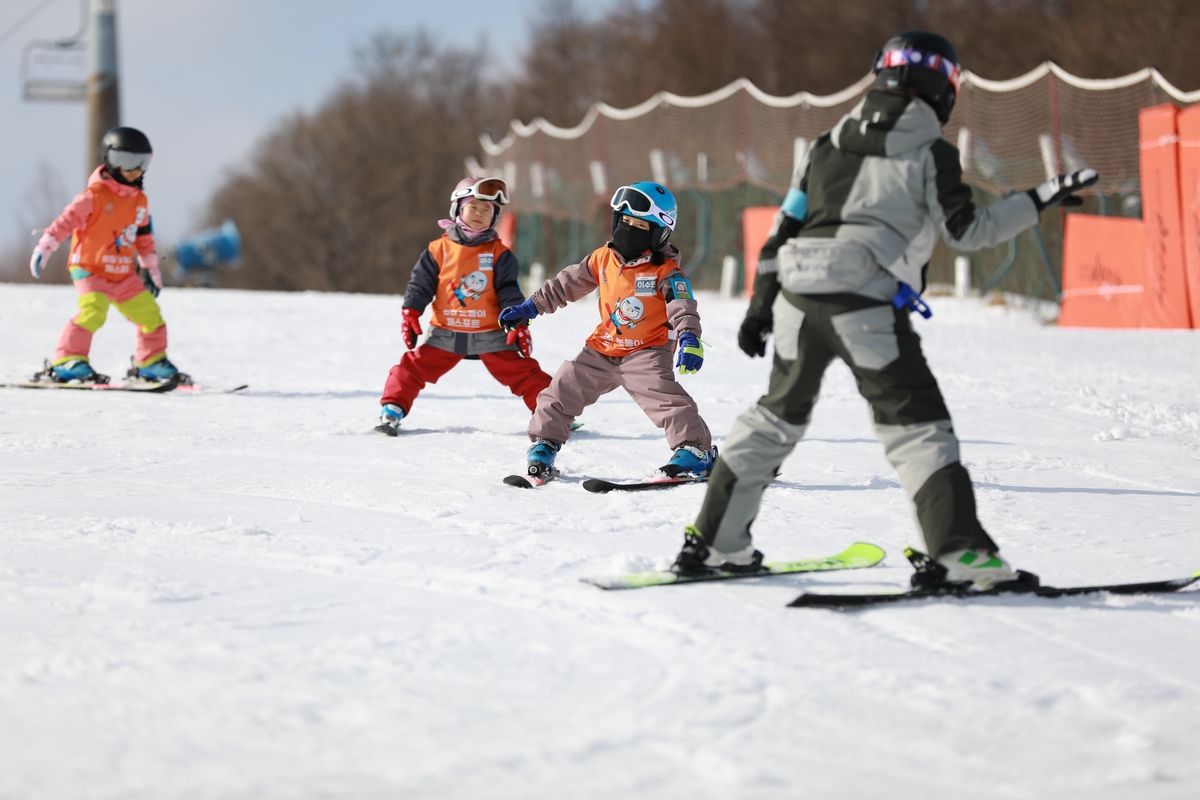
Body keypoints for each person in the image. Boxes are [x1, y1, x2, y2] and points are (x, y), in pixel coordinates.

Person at [671, 31, 1097, 588]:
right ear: (940, 88)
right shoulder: (932, 152)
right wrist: (1040, 198)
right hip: (865, 300)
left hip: (799, 297)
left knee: (774, 418)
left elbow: (783, 231)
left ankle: (713, 545)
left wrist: (759, 309)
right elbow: (969, 231)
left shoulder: (824, 145)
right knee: (918, 426)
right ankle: (960, 555)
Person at [499, 181, 714, 484]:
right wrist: (530, 307)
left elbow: (682, 304)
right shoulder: (603, 258)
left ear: (658, 232)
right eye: (624, 221)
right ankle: (545, 443)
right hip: (602, 348)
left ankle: (696, 450)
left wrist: (689, 336)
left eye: (639, 225)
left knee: (665, 399)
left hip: (646, 351)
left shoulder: (665, 271)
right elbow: (565, 284)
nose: (628, 229)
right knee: (563, 387)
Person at [376, 177, 553, 434]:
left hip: (489, 334)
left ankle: (553, 414)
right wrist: (411, 312)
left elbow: (509, 292)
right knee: (411, 367)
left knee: (525, 373)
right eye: (473, 208)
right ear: (458, 210)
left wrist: (519, 324)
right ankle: (392, 410)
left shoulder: (499, 253)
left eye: (487, 210)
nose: (479, 214)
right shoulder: (438, 250)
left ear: (494, 217)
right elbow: (420, 284)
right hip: (446, 334)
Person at [30, 126, 186, 384]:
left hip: (123, 273)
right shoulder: (94, 196)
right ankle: (68, 361)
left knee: (150, 314)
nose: (134, 169)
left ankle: (150, 361)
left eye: (142, 162)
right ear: (109, 160)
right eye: (125, 160)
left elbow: (144, 237)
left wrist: (150, 267)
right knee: (94, 311)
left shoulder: (139, 201)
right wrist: (47, 243)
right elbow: (67, 221)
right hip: (90, 269)